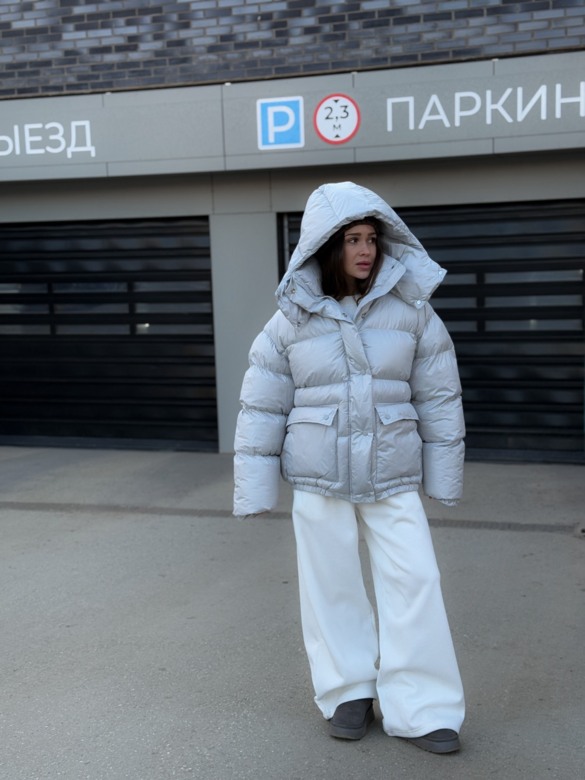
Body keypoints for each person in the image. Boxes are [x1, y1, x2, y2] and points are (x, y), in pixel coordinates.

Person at [233, 181, 466, 754]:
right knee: (330, 584)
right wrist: (255, 488)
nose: (366, 250)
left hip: (392, 470)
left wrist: (443, 474)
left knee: (415, 579)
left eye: (372, 239)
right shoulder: (289, 320)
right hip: (320, 474)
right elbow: (262, 405)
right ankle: (347, 691)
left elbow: (439, 396)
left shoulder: (412, 312)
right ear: (327, 246)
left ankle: (423, 706)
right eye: (353, 240)